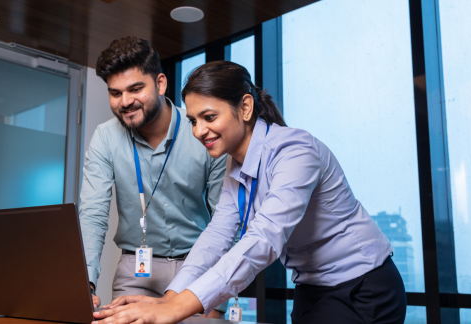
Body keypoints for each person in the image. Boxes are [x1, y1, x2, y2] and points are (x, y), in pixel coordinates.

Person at [91, 61, 407, 324]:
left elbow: (263, 240)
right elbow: (218, 233)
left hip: (363, 285)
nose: (199, 131)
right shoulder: (236, 165)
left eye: (209, 117)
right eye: (193, 121)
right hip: (312, 288)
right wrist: (169, 298)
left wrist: (175, 308)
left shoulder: (295, 151)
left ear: (245, 107)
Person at [78, 37, 228, 318]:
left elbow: (225, 217)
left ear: (160, 84)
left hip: (197, 265)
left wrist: (218, 286)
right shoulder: (105, 138)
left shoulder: (203, 132)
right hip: (136, 269)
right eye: (115, 93)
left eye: (135, 89)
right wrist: (85, 281)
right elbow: (93, 214)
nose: (125, 102)